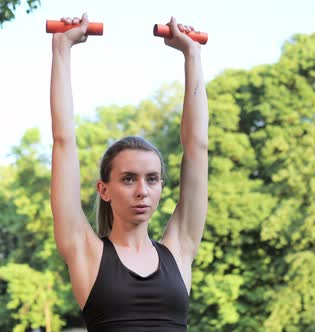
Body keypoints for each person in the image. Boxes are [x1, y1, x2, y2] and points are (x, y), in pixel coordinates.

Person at [50, 12, 208, 331]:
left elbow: (197, 147)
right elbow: (63, 141)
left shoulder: (180, 249)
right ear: (104, 189)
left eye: (152, 179)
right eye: (128, 179)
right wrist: (61, 49)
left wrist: (192, 54)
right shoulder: (86, 252)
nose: (142, 190)